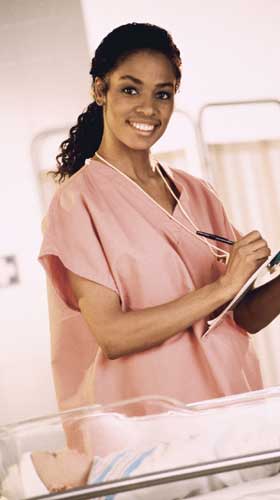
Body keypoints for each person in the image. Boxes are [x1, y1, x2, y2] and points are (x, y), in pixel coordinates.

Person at [39, 22, 280, 417]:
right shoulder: (77, 203)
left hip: (233, 408)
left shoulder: (197, 192)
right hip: (153, 426)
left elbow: (245, 315)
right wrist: (223, 287)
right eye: (130, 89)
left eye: (162, 94)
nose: (148, 109)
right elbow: (113, 334)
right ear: (100, 90)